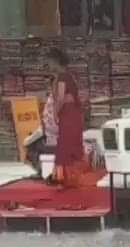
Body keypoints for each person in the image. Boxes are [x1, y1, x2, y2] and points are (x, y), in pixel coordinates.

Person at [45, 48, 85, 187]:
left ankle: (64, 178)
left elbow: (61, 97)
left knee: (65, 145)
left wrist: (55, 112)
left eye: (50, 62)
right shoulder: (68, 76)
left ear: (56, 61)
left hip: (68, 114)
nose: (49, 65)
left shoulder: (63, 76)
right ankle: (65, 177)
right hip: (72, 114)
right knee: (67, 144)